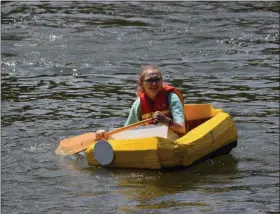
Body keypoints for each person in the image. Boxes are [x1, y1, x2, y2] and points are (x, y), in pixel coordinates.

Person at [96, 65, 186, 140]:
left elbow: (182, 129)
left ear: (161, 81)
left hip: (173, 139)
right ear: (142, 83)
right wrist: (106, 135)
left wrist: (166, 121)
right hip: (151, 141)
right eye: (149, 80)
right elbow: (126, 130)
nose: (154, 84)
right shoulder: (139, 103)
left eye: (157, 80)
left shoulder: (172, 98)